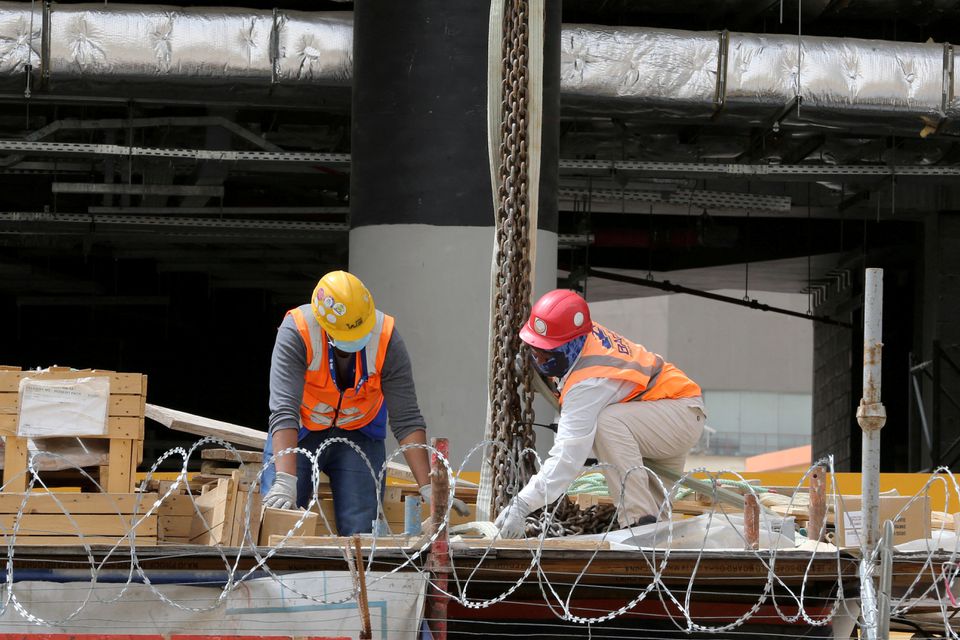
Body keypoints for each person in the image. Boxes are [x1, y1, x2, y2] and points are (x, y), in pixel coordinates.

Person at [262, 270, 469, 535]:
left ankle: (355, 578)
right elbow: (284, 410)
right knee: (281, 519)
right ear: (326, 328)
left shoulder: (387, 338)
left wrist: (427, 485)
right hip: (301, 431)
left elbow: (407, 419)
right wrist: (285, 480)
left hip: (359, 433)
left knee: (362, 531)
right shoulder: (298, 331)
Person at [494, 289, 705, 538]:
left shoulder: (590, 382)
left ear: (570, 345)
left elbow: (567, 458)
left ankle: (639, 522)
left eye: (546, 351)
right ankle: (650, 536)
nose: (538, 356)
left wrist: (522, 505)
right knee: (659, 529)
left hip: (676, 415)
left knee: (606, 423)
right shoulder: (581, 338)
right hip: (662, 413)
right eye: (534, 347)